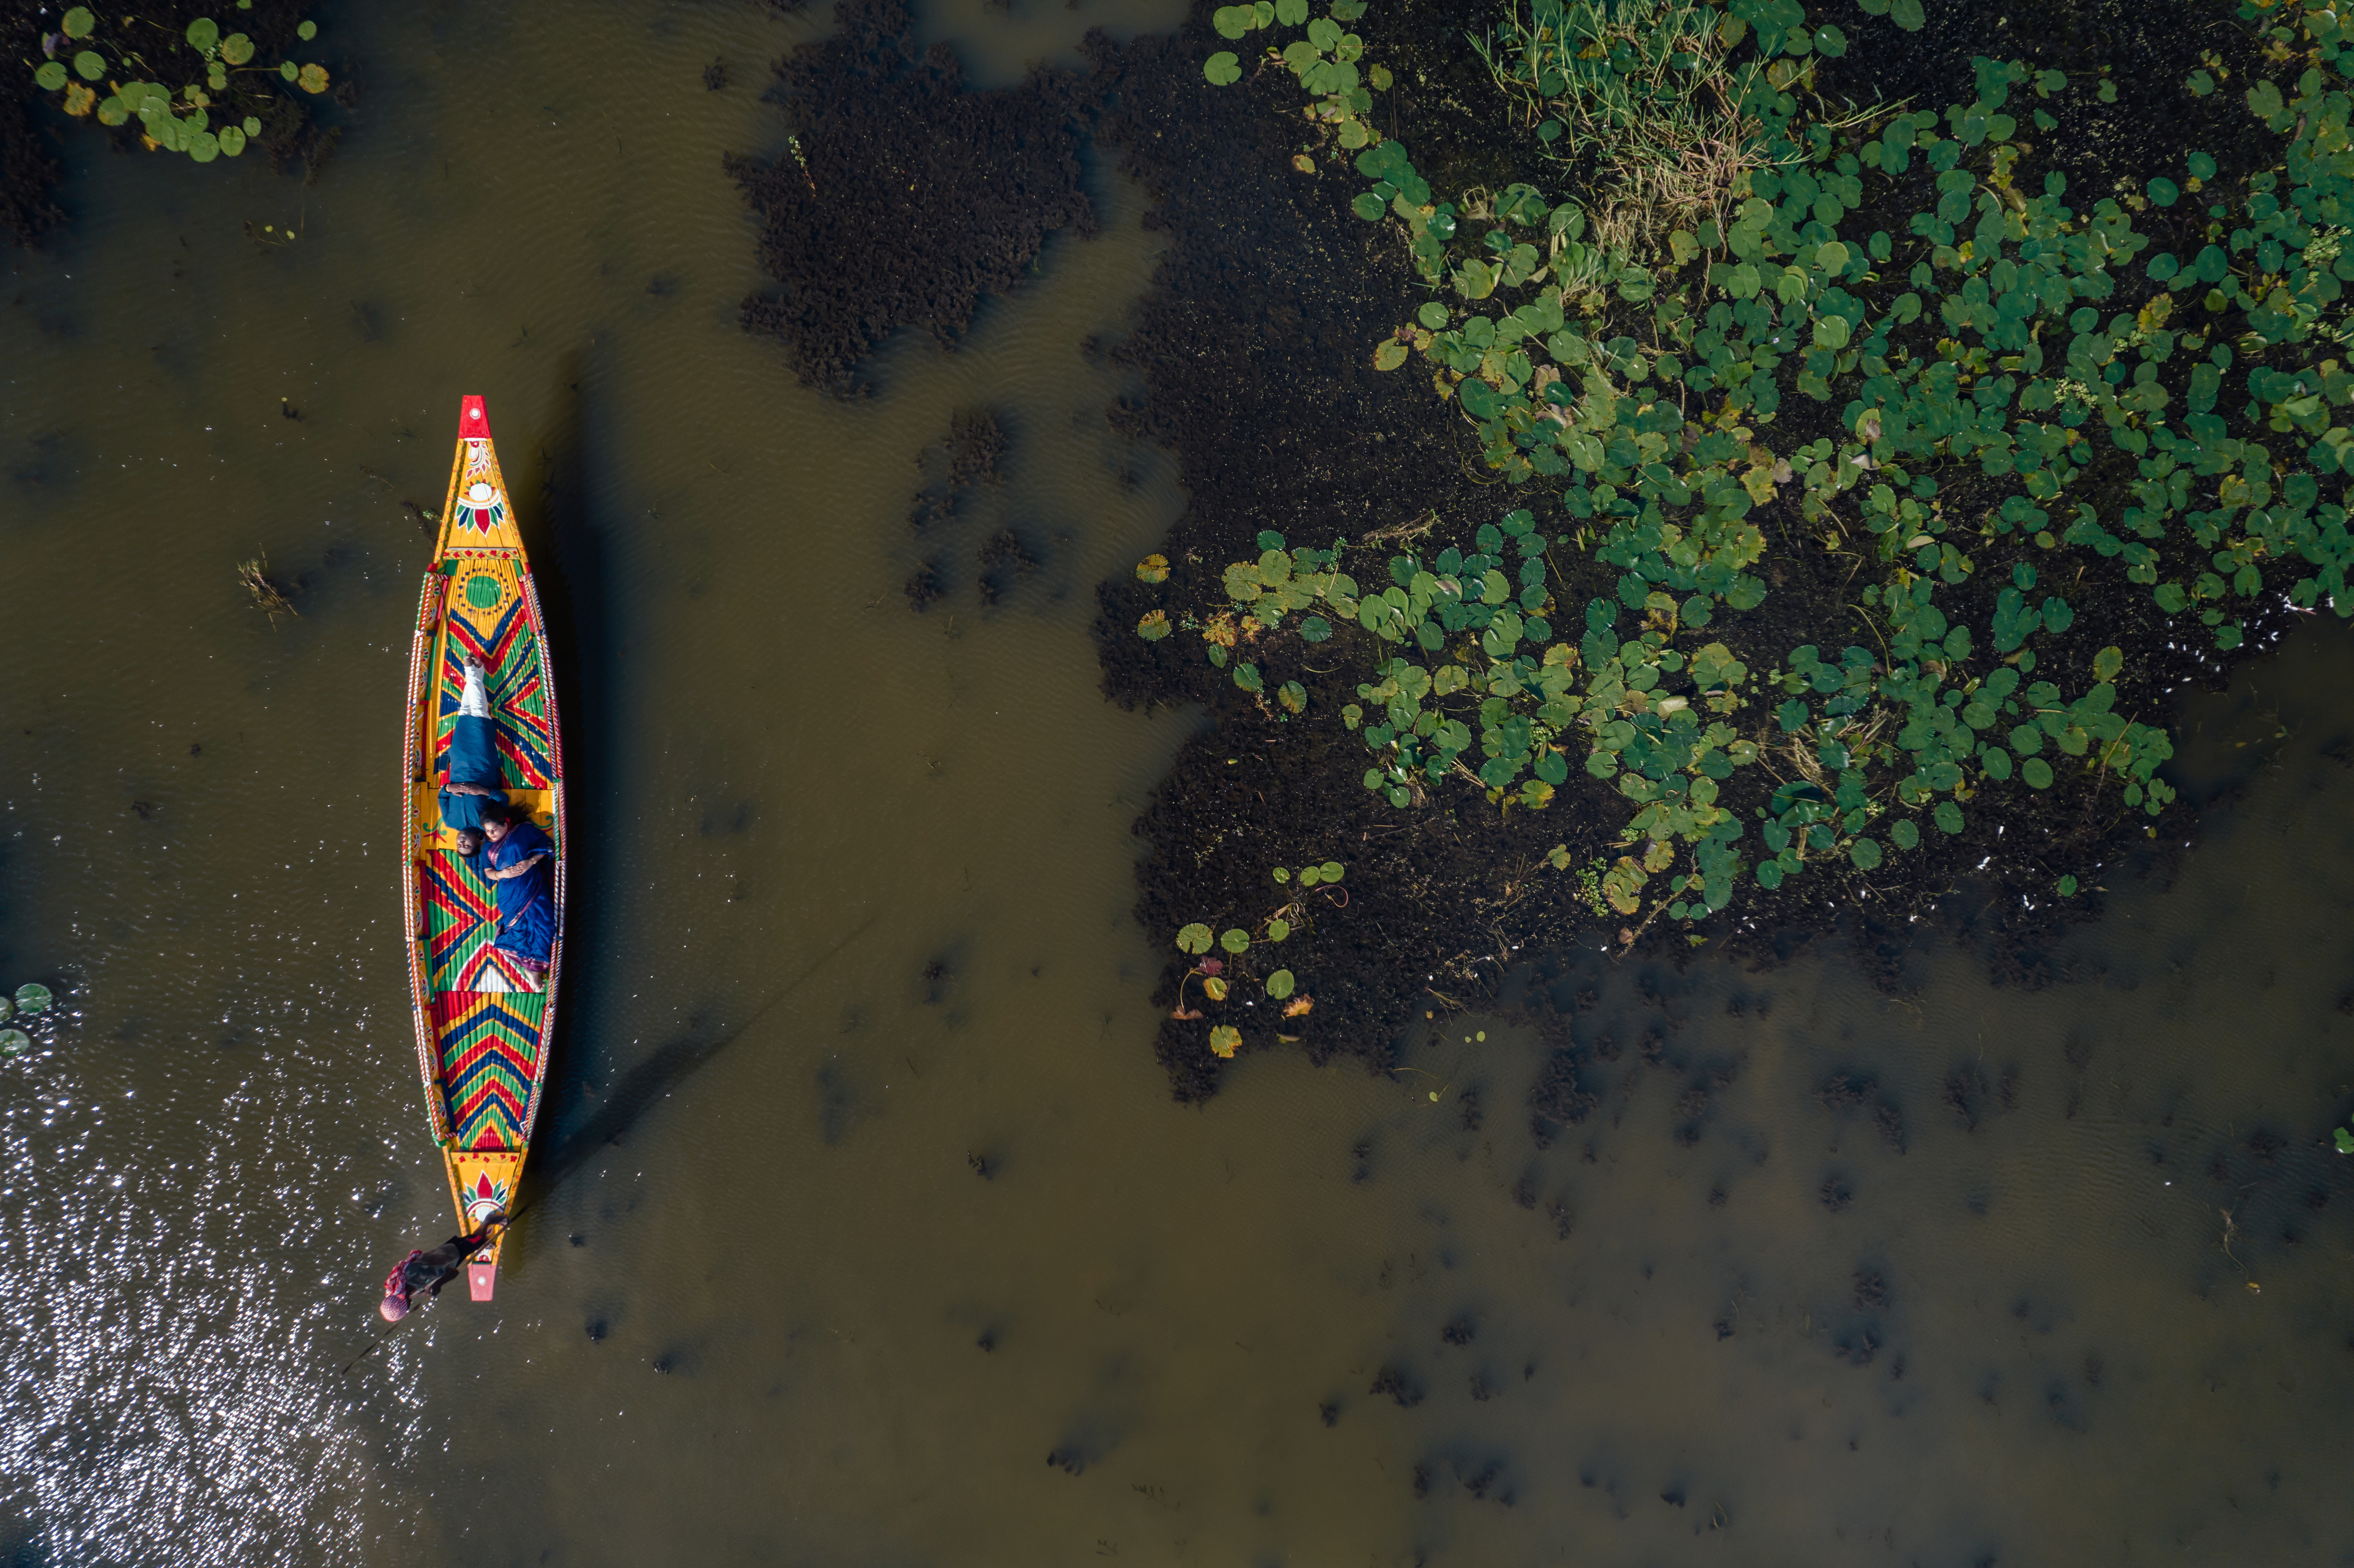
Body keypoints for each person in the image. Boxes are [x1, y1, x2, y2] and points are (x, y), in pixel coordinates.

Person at [480, 800, 556, 989]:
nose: (491, 834)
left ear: (506, 824)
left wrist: (531, 862)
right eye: (488, 831)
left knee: (544, 922)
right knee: (518, 929)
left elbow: (547, 845)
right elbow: (488, 872)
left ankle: (534, 969)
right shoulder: (486, 848)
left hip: (532, 885)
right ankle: (532, 971)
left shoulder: (523, 831)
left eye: (495, 829)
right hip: (509, 894)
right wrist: (501, 874)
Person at [439, 655, 510, 857]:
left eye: (459, 846)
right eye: (467, 846)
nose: (462, 842)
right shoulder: (486, 825)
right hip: (483, 764)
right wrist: (483, 791)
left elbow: (443, 797)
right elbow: (503, 800)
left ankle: (478, 671)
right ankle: (472, 672)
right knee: (479, 716)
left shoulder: (450, 822)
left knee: (464, 713)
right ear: (478, 842)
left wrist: (449, 788)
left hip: (460, 763)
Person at [379, 1218, 503, 1322]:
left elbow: (453, 1273)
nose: (408, 1309)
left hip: (452, 1254)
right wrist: (426, 1292)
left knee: (475, 1241)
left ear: (404, 1301)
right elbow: (418, 1292)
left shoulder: (417, 1275)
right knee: (471, 1243)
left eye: (406, 1308)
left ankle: (488, 1222)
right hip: (439, 1257)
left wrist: (438, 1284)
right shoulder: (401, 1291)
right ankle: (478, 1241)